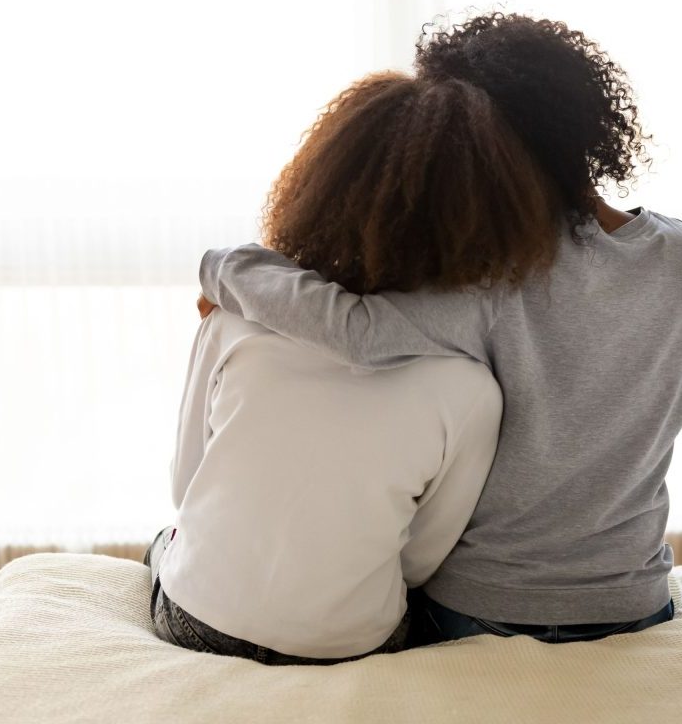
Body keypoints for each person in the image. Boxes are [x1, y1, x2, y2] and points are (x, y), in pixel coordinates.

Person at [199, 13, 682, 645]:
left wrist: (223, 267)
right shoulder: (681, 253)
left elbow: (356, 330)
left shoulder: (500, 278)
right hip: (638, 600)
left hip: (488, 608)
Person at [145, 70, 566, 664]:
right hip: (347, 644)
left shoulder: (231, 322)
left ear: (322, 185)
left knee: (163, 543)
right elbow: (419, 561)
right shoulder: (471, 389)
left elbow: (185, 486)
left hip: (198, 619)